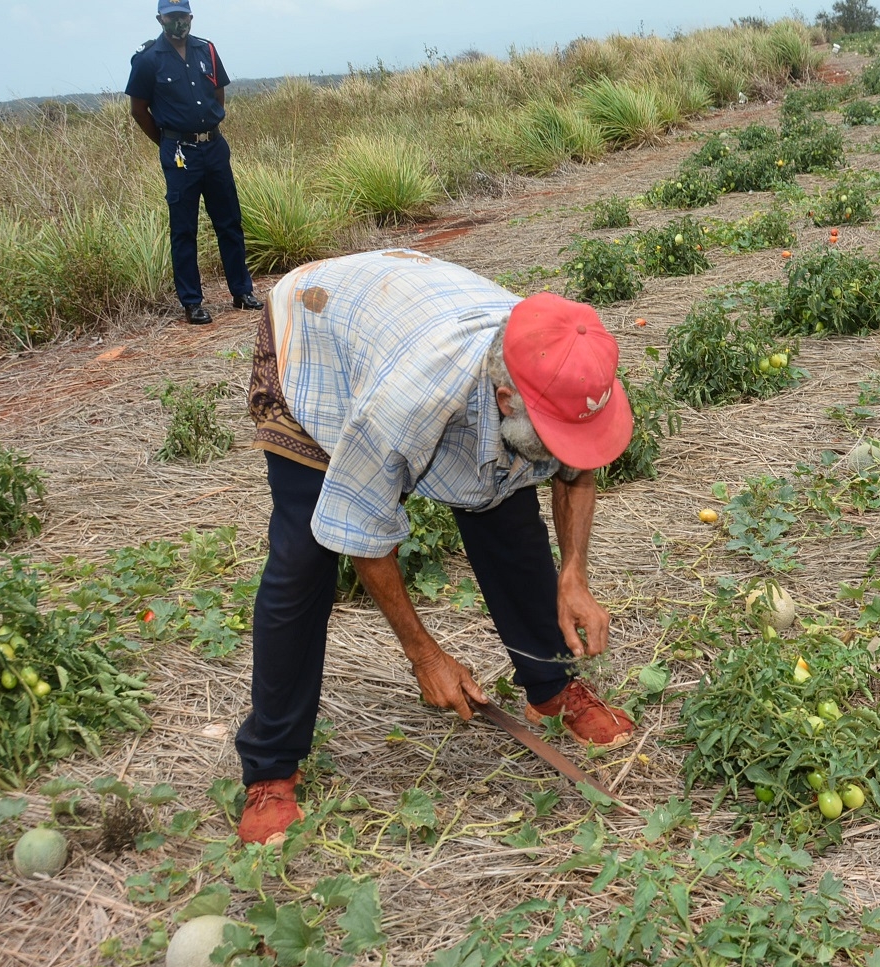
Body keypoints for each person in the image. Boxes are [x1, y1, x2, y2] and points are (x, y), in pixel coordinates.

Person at [237, 248, 638, 845]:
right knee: (303, 558)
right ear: (507, 402)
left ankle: (550, 687)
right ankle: (271, 767)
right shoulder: (408, 403)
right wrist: (425, 655)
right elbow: (365, 535)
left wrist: (574, 574)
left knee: (503, 509)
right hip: (317, 336)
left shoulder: (569, 365)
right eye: (548, 429)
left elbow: (577, 465)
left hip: (409, 312)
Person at [125, 0, 262, 325]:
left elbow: (218, 93)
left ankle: (242, 292)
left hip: (214, 147)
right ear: (160, 19)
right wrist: (168, 142)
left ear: (190, 17)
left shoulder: (207, 51)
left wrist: (209, 126)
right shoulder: (147, 60)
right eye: (171, 17)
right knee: (184, 229)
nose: (178, 23)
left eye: (182, 16)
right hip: (179, 152)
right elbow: (138, 110)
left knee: (229, 221)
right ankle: (192, 302)